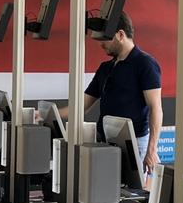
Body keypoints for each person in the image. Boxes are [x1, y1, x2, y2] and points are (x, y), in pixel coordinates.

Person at [66, 11, 162, 181]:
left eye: (104, 39)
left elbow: (156, 109)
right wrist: (45, 115)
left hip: (135, 144)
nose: (101, 44)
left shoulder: (145, 64)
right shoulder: (105, 68)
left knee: (133, 197)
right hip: (107, 143)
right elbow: (82, 105)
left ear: (120, 34)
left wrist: (151, 150)